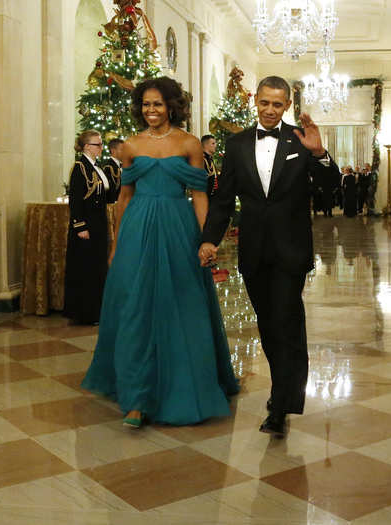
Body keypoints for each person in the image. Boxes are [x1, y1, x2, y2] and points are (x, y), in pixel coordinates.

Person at [81, 77, 239, 428]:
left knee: (179, 304)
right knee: (136, 307)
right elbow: (124, 198)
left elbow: (200, 197)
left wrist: (206, 241)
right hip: (137, 228)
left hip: (177, 226)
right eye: (146, 104)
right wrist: (116, 243)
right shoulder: (131, 146)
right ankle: (136, 398)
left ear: (171, 106)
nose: (151, 110)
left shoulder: (190, 143)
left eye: (158, 104)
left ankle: (184, 384)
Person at [199, 76, 339, 437]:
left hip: (291, 250)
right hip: (254, 251)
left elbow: (330, 189)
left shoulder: (300, 139)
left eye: (278, 104)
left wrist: (320, 154)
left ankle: (282, 402)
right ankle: (282, 390)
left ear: (287, 106)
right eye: (265, 103)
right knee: (267, 323)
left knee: (286, 320)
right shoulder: (237, 143)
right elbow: (223, 200)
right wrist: (210, 239)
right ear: (255, 102)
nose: (271, 110)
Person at [64, 130, 116, 324]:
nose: (101, 148)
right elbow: (76, 200)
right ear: (86, 146)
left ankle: (98, 310)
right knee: (86, 268)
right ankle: (85, 313)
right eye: (98, 144)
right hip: (87, 225)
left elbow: (108, 194)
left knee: (98, 266)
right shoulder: (80, 167)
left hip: (99, 223)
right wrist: (80, 226)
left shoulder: (97, 167)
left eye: (101, 144)